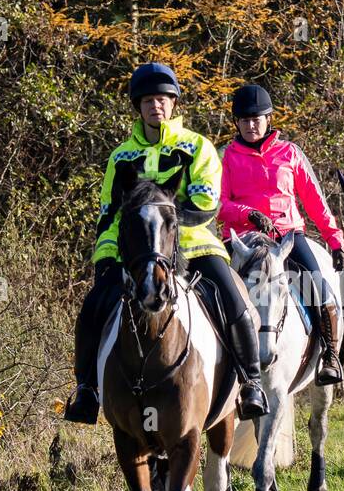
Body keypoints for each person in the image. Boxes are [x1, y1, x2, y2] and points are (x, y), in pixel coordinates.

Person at [64, 62, 269, 424]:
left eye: (162, 99)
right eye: (147, 101)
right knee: (92, 308)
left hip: (193, 245)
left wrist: (172, 238)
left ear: (174, 104)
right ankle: (86, 391)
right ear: (138, 107)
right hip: (134, 254)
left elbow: (207, 203)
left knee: (235, 302)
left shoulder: (198, 147)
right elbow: (109, 212)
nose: (155, 106)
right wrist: (107, 254)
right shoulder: (121, 156)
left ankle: (251, 382)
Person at [219, 84, 344, 385]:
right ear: (236, 122)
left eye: (257, 119)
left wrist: (335, 239)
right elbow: (217, 204)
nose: (251, 125)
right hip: (243, 240)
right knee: (213, 291)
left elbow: (315, 201)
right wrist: (247, 214)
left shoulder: (290, 153)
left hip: (286, 237)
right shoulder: (226, 156)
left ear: (269, 119)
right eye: (245, 120)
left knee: (320, 287)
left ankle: (330, 355)